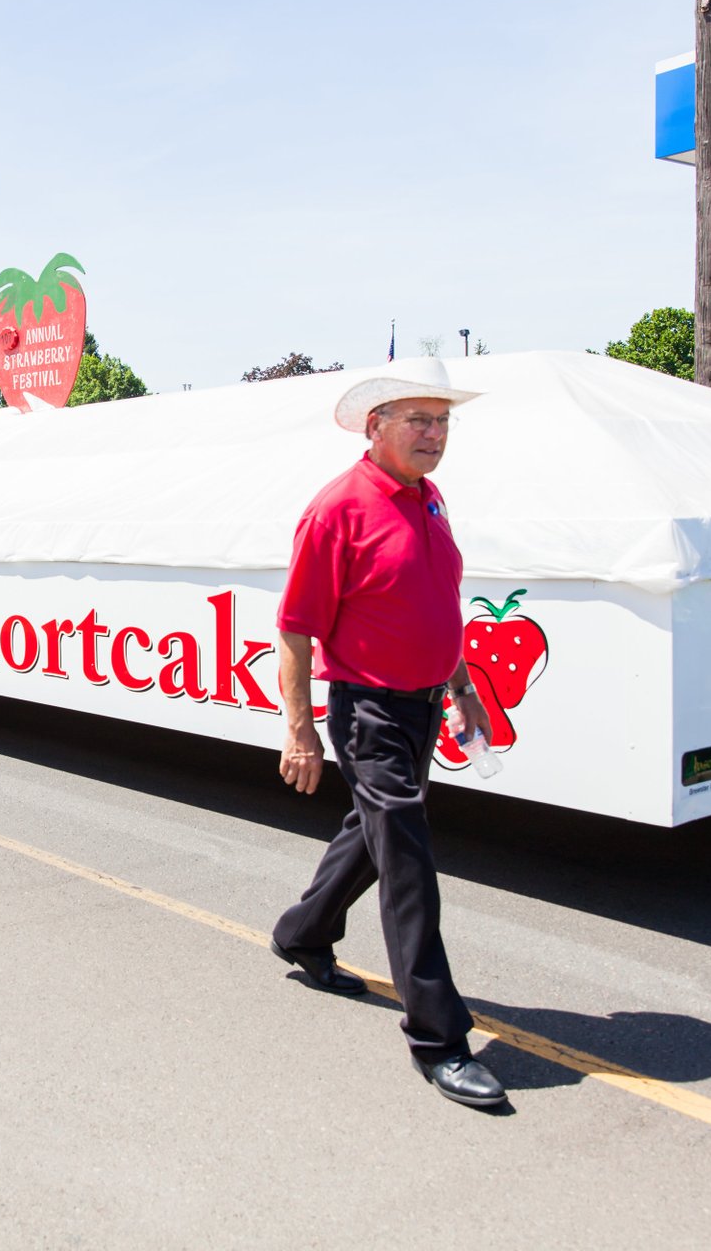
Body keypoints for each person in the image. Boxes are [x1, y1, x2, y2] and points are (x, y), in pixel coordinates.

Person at [269, 356, 506, 1110]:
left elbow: (438, 605)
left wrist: (462, 687)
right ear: (376, 428)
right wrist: (300, 731)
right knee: (408, 860)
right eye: (419, 421)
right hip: (367, 711)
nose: (435, 435)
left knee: (374, 838)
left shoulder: (429, 499)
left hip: (423, 704)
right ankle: (438, 1038)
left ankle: (303, 932)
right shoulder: (336, 509)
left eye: (443, 422)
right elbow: (295, 632)